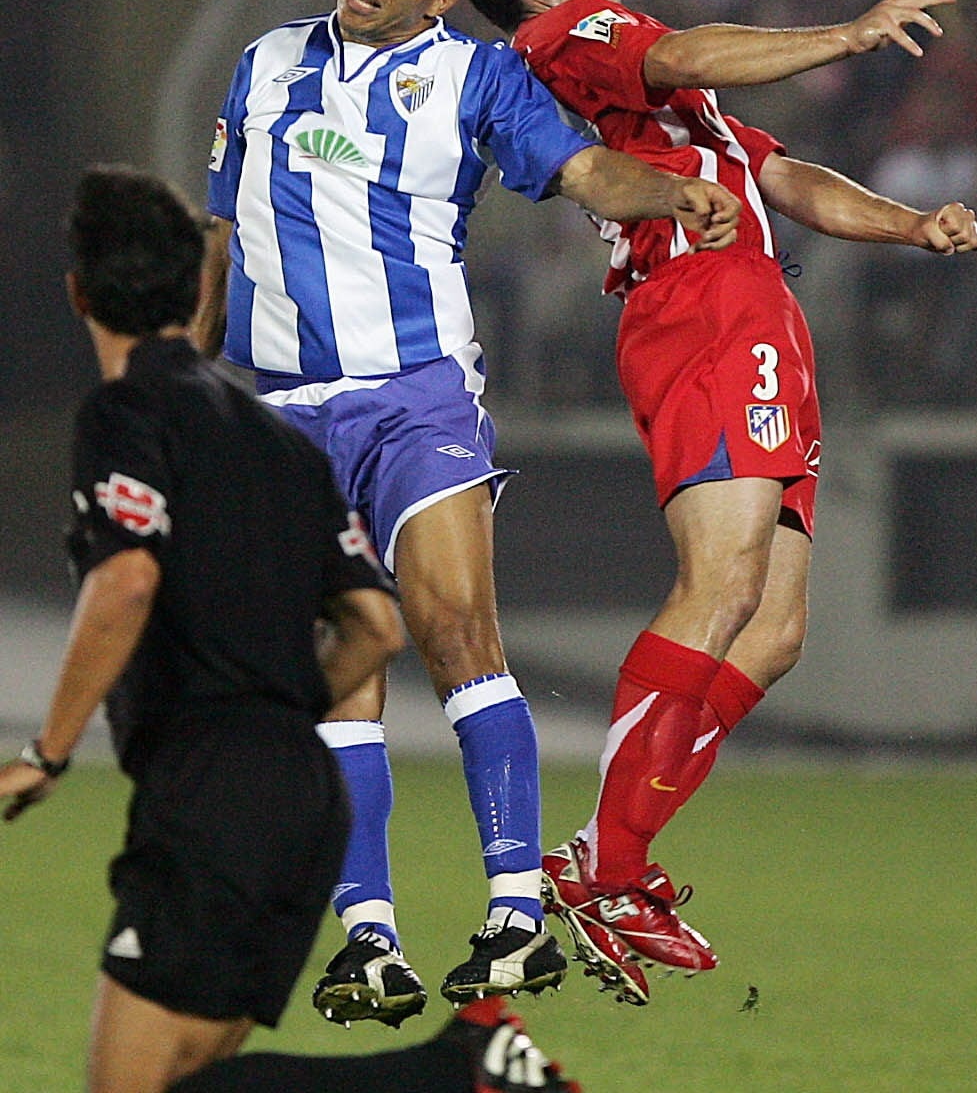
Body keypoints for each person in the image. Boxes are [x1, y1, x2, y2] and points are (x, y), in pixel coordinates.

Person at [194, 0, 741, 1021]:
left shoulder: (475, 78)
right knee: (337, 670)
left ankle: (512, 915)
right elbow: (219, 234)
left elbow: (586, 172)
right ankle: (371, 940)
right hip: (280, 413)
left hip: (414, 396)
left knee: (454, 629)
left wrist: (677, 192)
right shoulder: (265, 63)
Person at [458, 0, 977, 989]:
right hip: (700, 301)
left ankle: (610, 857)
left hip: (756, 304)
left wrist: (909, 224)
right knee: (721, 584)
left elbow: (781, 173)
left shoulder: (666, 93)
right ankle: (603, 863)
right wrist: (848, 32)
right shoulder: (572, 32)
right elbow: (688, 51)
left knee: (771, 626)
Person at [0, 164, 583, 1093]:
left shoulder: (129, 412)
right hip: (304, 806)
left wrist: (49, 751)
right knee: (184, 1080)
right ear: (200, 285)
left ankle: (453, 1071)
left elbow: (124, 581)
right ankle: (455, 1070)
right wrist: (280, 713)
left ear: (76, 292)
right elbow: (373, 624)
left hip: (210, 802)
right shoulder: (269, 434)